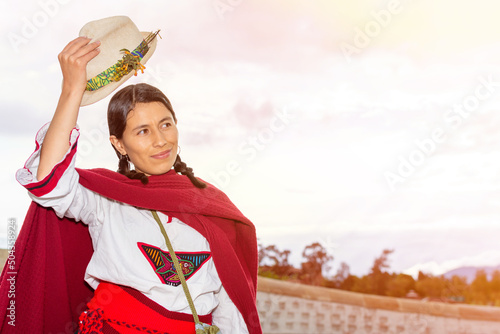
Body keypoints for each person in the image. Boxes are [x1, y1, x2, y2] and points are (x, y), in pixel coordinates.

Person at [1, 18, 261, 334]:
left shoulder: (212, 205)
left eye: (166, 124)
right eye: (142, 131)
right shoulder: (103, 198)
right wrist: (72, 91)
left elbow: (230, 308)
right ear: (119, 144)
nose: (160, 139)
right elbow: (49, 184)